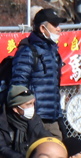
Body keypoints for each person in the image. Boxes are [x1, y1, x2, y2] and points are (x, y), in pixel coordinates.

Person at [10, 9, 66, 138]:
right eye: (55, 25)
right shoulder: (28, 51)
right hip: (35, 119)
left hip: (53, 117)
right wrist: (28, 113)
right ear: (42, 28)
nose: (59, 29)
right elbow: (18, 86)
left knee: (58, 154)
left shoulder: (52, 51)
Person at [0, 86, 50, 158]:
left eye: (33, 103)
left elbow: (45, 138)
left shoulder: (34, 119)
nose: (32, 108)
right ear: (15, 109)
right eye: (28, 104)